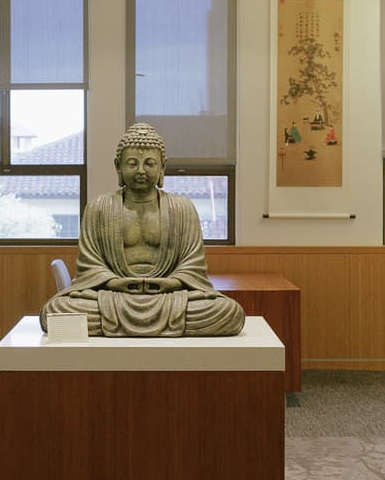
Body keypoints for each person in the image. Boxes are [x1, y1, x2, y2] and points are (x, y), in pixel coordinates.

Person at [41, 123, 245, 337]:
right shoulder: (98, 208)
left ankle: (126, 327)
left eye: (149, 163)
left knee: (229, 312)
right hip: (112, 296)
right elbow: (90, 266)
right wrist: (115, 282)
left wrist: (171, 282)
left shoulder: (182, 208)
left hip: (169, 296)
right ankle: (162, 327)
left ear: (162, 167)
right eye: (132, 163)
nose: (141, 170)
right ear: (117, 167)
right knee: (55, 311)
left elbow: (192, 266)